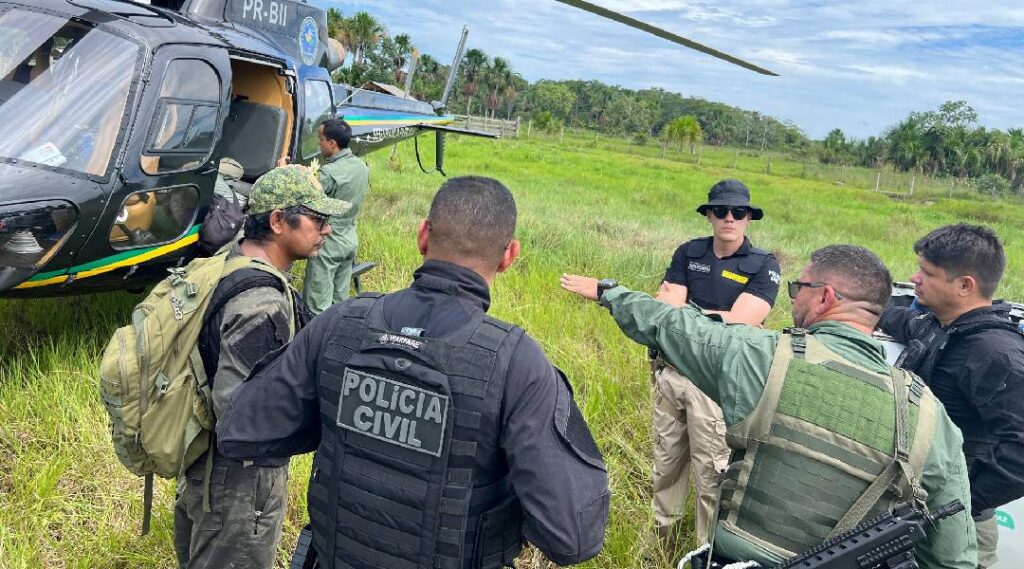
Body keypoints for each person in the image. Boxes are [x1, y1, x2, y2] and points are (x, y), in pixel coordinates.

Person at [216, 176, 610, 569]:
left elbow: (242, 429)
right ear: (509, 256)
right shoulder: (517, 363)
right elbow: (573, 538)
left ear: (423, 235)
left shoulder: (341, 324)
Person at [562, 245, 976, 568]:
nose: (793, 299)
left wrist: (610, 292)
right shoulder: (930, 414)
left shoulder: (762, 356)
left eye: (799, 289)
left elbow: (673, 325)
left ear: (825, 297)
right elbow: (952, 554)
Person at [562, 178, 780, 549]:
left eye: (738, 212)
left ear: (748, 219)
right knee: (666, 462)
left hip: (716, 382)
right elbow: (666, 309)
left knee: (712, 472)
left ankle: (706, 550)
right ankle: (659, 541)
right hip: (672, 371)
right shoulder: (690, 253)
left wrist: (688, 316)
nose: (730, 218)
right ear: (709, 215)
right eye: (721, 211)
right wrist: (708, 317)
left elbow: (741, 322)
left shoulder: (762, 264)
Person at [174, 165, 349, 569]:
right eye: (316, 219)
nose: (326, 229)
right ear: (276, 221)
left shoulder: (226, 262)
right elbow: (243, 419)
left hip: (200, 461)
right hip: (238, 483)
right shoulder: (262, 304)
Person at [879, 224, 1024, 569]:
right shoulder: (937, 326)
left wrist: (956, 504)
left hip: (957, 526)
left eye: (927, 273)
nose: (915, 278)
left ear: (964, 285)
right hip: (907, 512)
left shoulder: (994, 354)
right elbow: (900, 320)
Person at [303, 117, 370, 314]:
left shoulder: (330, 172)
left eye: (321, 139)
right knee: (340, 301)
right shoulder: (361, 167)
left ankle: (315, 342)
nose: (319, 143)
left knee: (317, 304)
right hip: (349, 238)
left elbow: (309, 198)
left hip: (329, 242)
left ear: (332, 143)